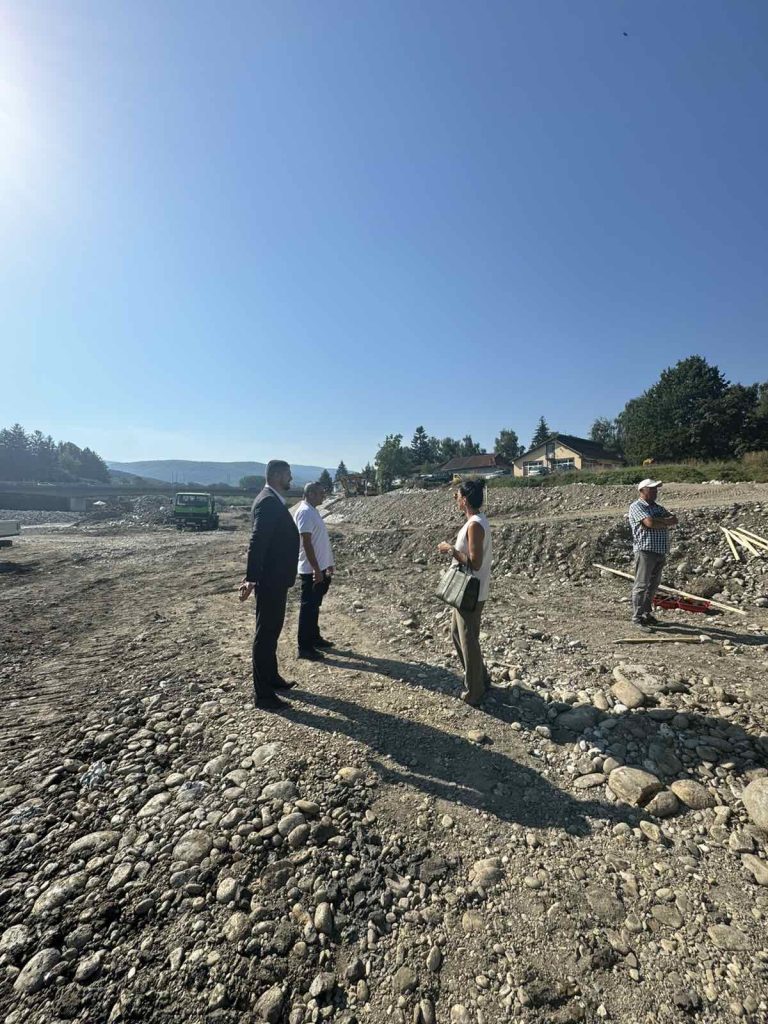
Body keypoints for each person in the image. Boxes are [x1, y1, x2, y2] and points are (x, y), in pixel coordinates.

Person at [239, 460, 300, 709]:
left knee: (272, 631)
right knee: (265, 635)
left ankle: (272, 678)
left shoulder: (271, 499)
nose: (291, 479)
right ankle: (263, 695)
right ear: (276, 475)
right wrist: (251, 578)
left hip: (276, 578)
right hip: (270, 579)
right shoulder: (267, 502)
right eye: (288, 475)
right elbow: (258, 541)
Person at [437, 478, 493, 706]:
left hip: (471, 592)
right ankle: (481, 679)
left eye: (458, 496)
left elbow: (475, 563)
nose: (456, 499)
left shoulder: (475, 525)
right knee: (457, 634)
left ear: (466, 500)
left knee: (468, 640)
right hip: (468, 592)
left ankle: (475, 691)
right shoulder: (476, 521)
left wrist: (450, 549)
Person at [628, 478, 678, 630]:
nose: (655, 492)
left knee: (653, 585)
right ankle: (637, 618)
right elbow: (649, 523)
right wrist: (663, 521)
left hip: (660, 550)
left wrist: (658, 521)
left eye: (656, 489)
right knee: (641, 585)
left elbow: (674, 520)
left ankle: (646, 614)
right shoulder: (636, 506)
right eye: (652, 489)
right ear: (642, 491)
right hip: (645, 550)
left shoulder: (657, 507)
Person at [293, 482, 335, 660]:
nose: (323, 496)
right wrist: (316, 569)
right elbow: (307, 542)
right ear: (310, 493)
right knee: (308, 608)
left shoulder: (312, 510)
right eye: (320, 493)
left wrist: (328, 563)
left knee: (314, 606)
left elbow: (320, 540)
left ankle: (314, 638)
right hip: (311, 570)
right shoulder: (304, 512)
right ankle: (305, 647)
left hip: (320, 568)